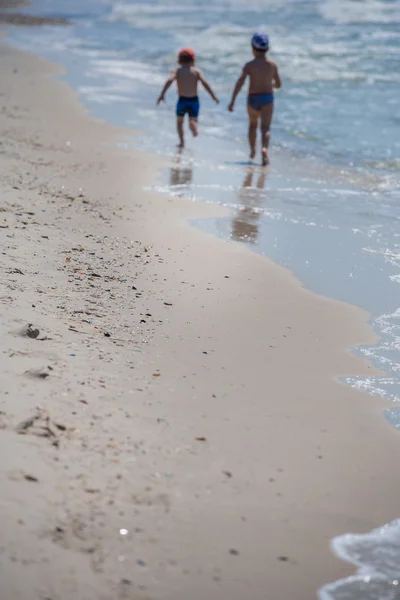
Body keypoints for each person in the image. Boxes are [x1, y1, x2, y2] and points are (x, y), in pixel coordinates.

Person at [228, 33, 281, 166]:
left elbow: (240, 82)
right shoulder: (272, 65)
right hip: (267, 98)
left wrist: (233, 100)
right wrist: (272, 85)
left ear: (252, 48)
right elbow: (279, 84)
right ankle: (264, 149)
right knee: (266, 128)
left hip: (253, 98)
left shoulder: (249, 65)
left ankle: (252, 150)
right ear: (268, 49)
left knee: (252, 125)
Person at [157, 48, 219, 148]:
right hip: (194, 101)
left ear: (180, 60)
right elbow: (205, 84)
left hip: (182, 100)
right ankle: (193, 123)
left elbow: (169, 80)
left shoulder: (178, 71)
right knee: (193, 118)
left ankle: (182, 142)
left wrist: (162, 94)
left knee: (180, 122)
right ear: (193, 60)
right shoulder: (196, 71)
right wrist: (213, 96)